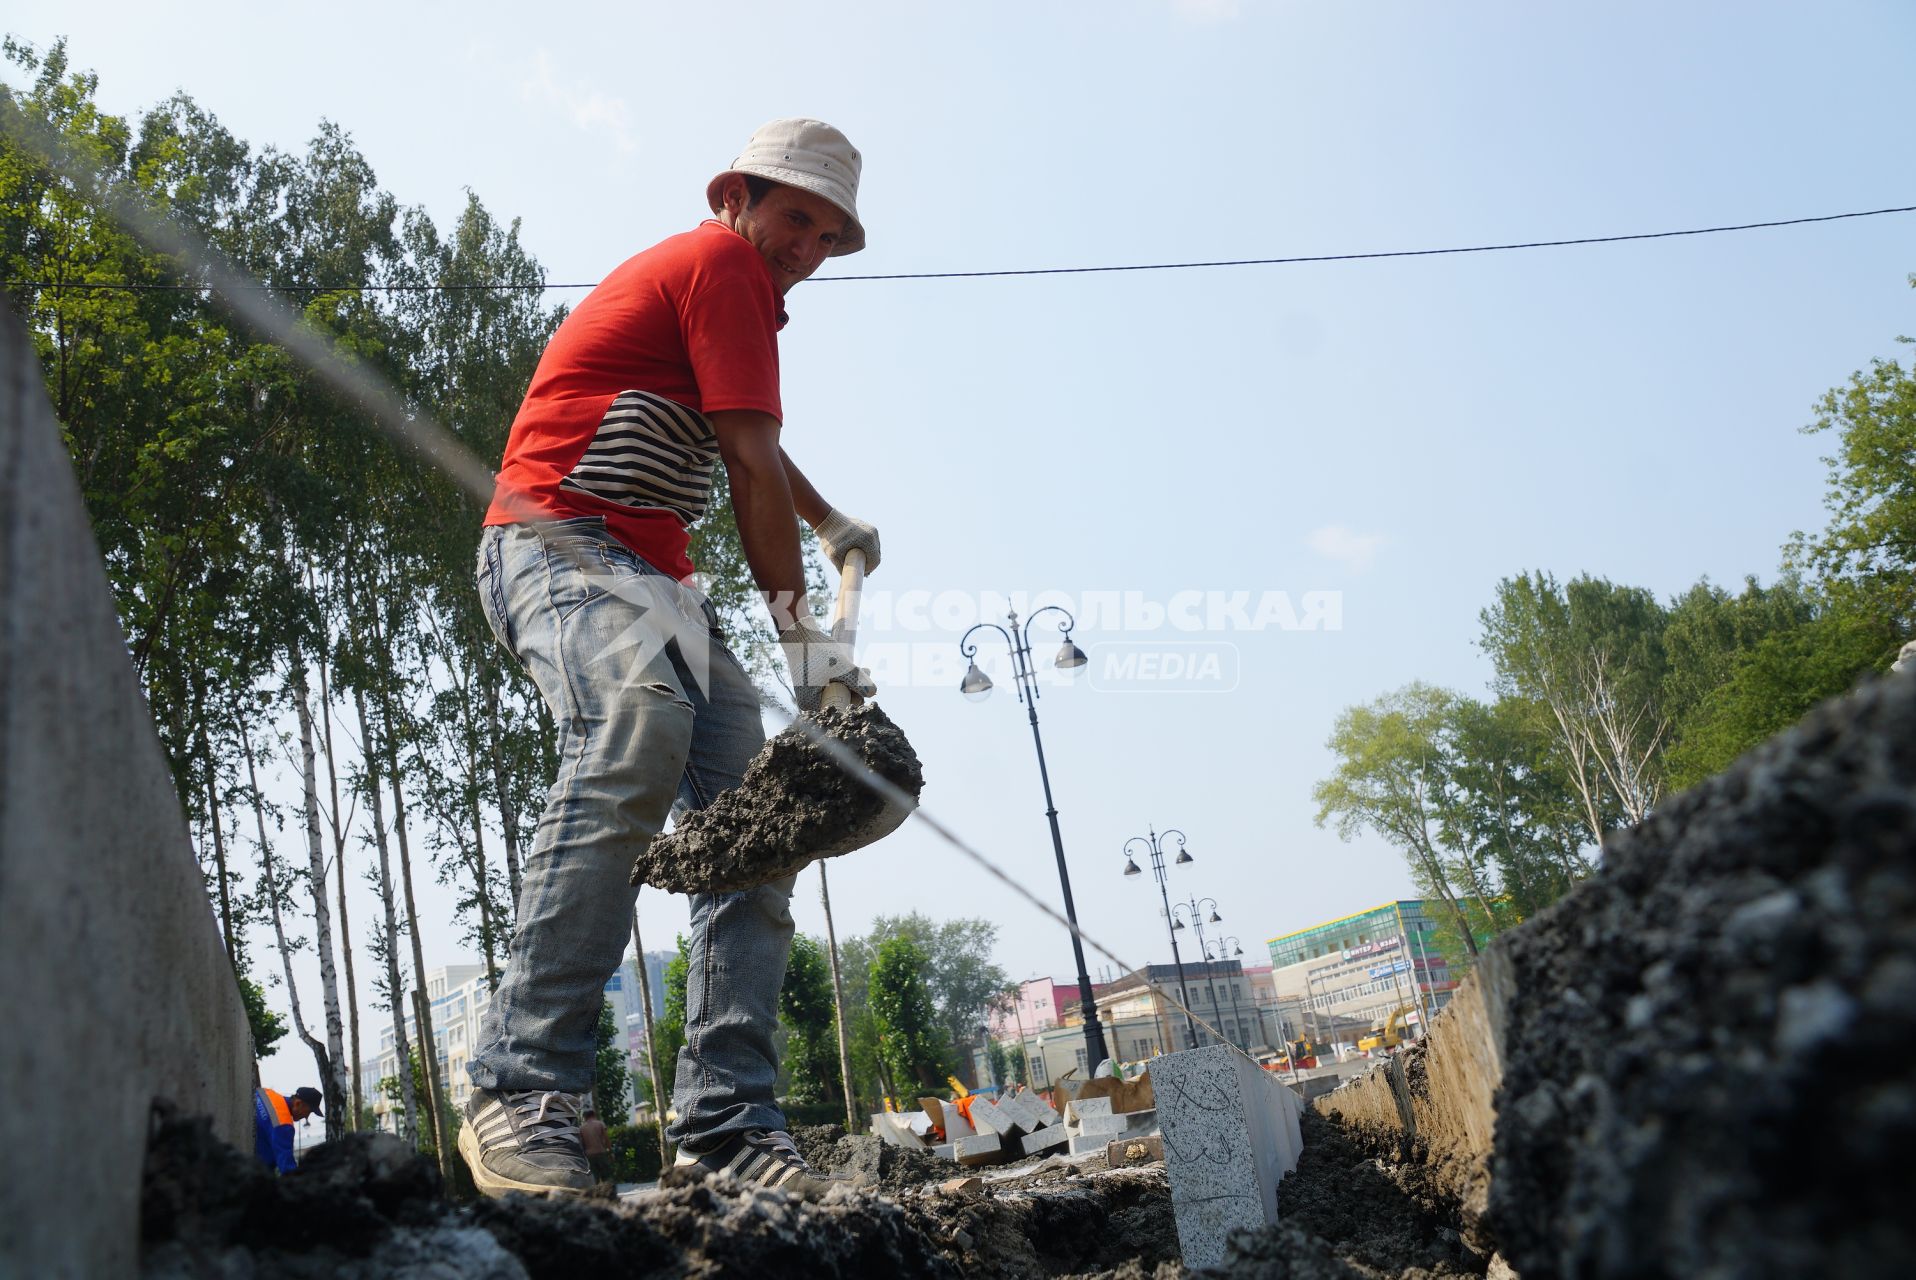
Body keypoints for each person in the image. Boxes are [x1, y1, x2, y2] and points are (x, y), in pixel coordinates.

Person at [459, 118, 881, 1200]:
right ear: (736, 195)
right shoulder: (718, 262)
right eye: (796, 215)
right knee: (634, 724)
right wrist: (802, 633)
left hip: (655, 583)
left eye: (829, 233)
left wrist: (829, 520)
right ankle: (520, 1084)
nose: (806, 245)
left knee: (764, 812)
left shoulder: (733, 292)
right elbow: (742, 458)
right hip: (557, 541)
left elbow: (752, 437)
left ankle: (729, 1124)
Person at [254, 1085, 323, 1174]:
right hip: (257, 1172)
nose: (306, 1116)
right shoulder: (284, 1125)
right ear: (298, 1103)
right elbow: (286, 1165)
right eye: (308, 1111)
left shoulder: (266, 1093)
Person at [580, 1108, 613, 1184]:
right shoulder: (600, 1124)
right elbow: (606, 1138)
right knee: (607, 1176)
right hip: (601, 1152)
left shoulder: (582, 1128)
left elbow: (581, 1143)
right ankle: (609, 1192)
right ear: (594, 1115)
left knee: (595, 1178)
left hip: (589, 1155)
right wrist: (610, 1151)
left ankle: (596, 1194)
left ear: (585, 1117)